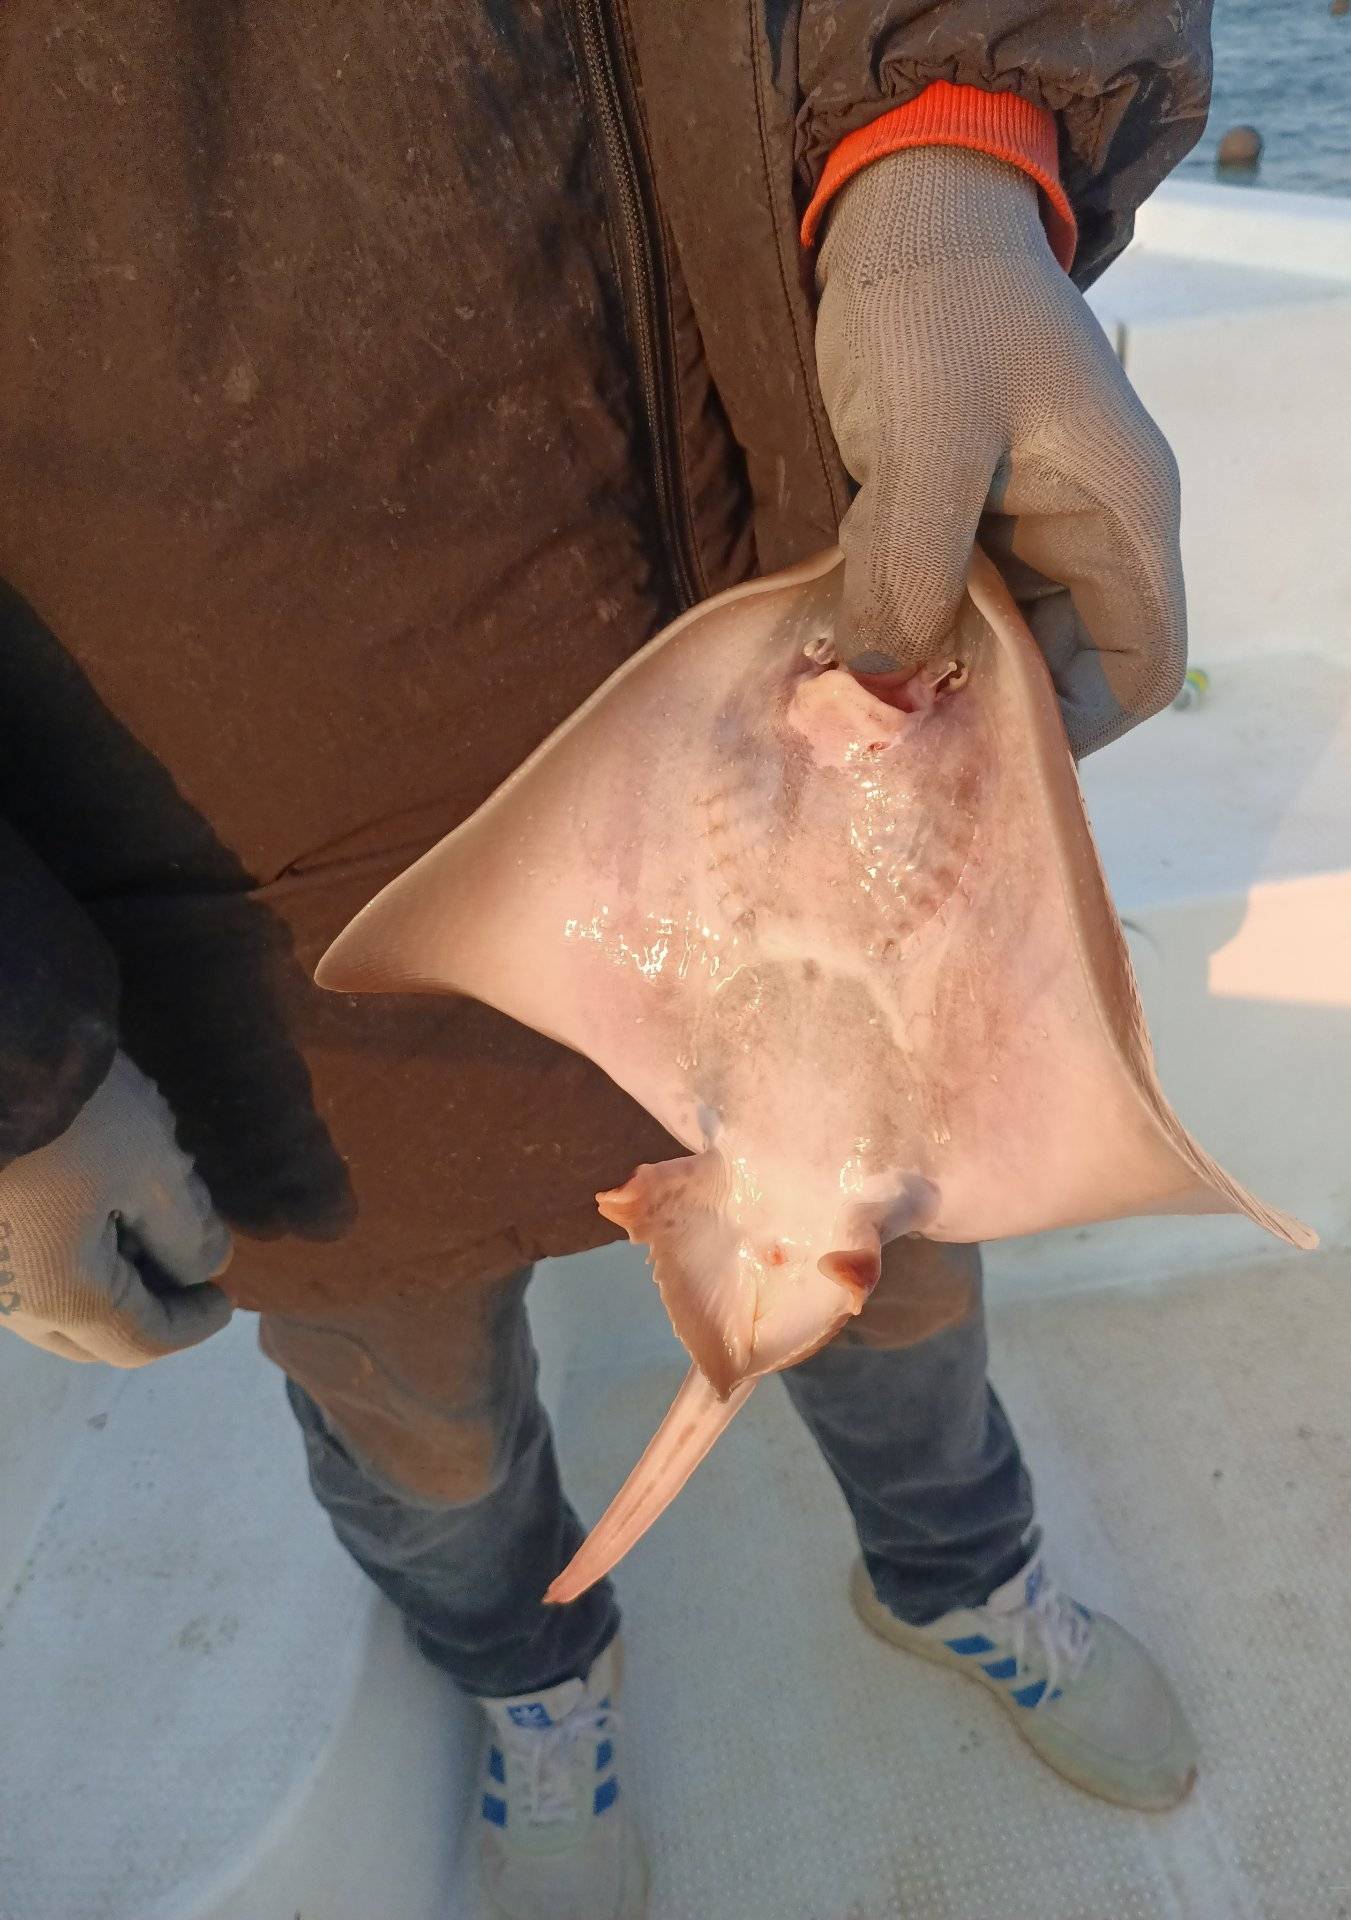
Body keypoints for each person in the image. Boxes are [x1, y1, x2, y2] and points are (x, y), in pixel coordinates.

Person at [0, 5, 1211, 1915]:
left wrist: (957, 139)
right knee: (416, 1416)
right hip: (235, 900)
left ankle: (961, 1575)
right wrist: (15, 1068)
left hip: (788, 542)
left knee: (892, 1295)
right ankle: (533, 1679)